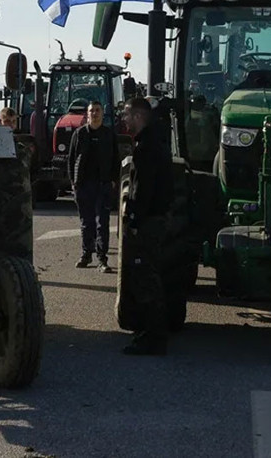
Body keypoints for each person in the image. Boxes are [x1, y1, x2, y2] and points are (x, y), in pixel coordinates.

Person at [120, 98, 173, 355]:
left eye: (127, 115)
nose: (123, 120)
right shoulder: (153, 143)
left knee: (145, 278)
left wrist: (134, 221)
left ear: (139, 117)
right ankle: (149, 332)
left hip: (149, 222)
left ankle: (153, 337)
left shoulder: (146, 149)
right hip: (155, 219)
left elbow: (142, 191)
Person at [68, 101, 120, 273]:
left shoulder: (109, 134)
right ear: (87, 114)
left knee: (102, 223)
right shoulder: (79, 134)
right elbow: (71, 159)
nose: (95, 113)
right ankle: (86, 254)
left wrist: (113, 180)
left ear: (102, 113)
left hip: (103, 184)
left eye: (98, 110)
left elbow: (116, 160)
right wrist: (73, 182)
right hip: (83, 185)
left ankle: (102, 259)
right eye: (92, 111)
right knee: (86, 222)